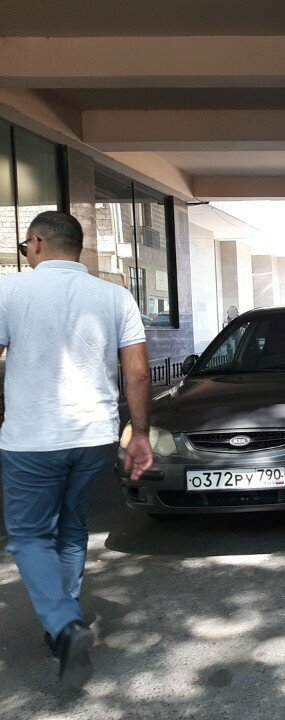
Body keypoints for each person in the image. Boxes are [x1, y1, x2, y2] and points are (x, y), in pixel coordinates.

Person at [0, 211, 154, 689]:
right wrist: (142, 435)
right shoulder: (115, 296)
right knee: (70, 529)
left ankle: (65, 625)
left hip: (31, 440)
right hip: (93, 437)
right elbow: (138, 374)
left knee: (28, 537)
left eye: (26, 244)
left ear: (39, 242)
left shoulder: (8, 291)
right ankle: (59, 629)